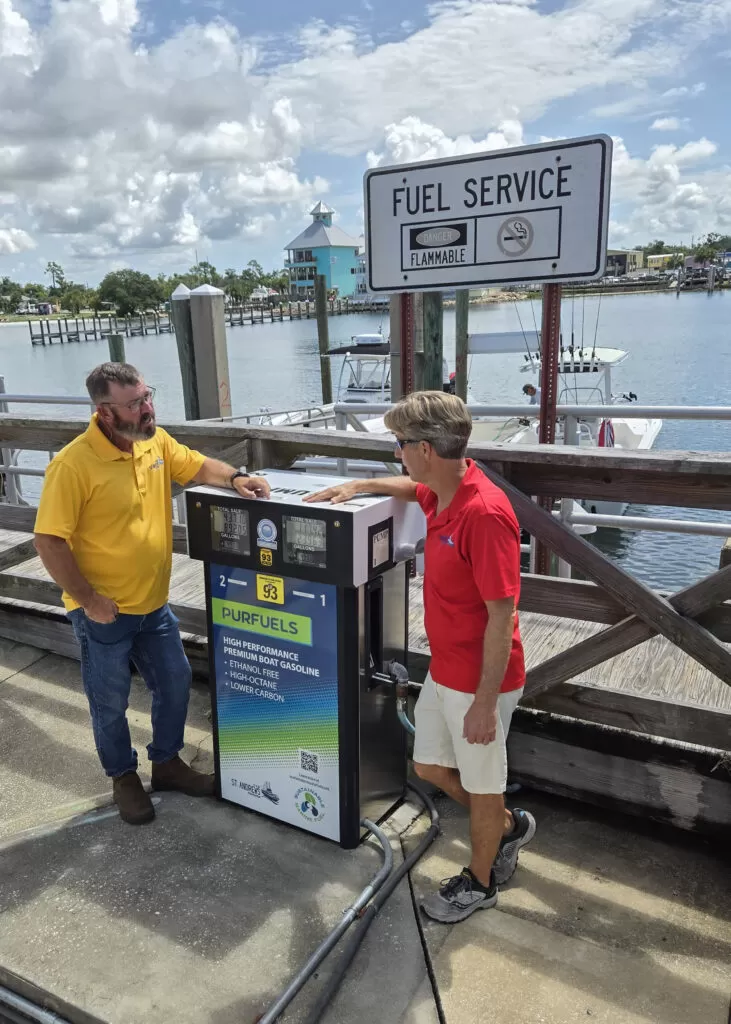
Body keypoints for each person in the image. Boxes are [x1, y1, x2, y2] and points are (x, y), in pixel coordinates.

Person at [304, 391, 535, 924]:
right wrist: (359, 486)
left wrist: (483, 704)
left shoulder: (484, 513)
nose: (397, 454)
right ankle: (506, 825)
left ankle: (480, 882)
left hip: (483, 681)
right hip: (445, 669)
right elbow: (412, 487)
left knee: (482, 784)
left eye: (400, 445)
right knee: (428, 765)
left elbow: (504, 617)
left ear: (426, 448)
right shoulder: (442, 489)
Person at [33, 363, 271, 826]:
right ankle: (123, 776)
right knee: (109, 700)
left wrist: (236, 477)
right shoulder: (73, 465)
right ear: (104, 412)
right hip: (103, 612)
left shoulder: (153, 442)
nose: (147, 408)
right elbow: (48, 542)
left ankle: (166, 763)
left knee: (176, 682)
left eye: (147, 396)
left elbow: (197, 464)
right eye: (135, 403)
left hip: (153, 604)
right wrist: (88, 599)